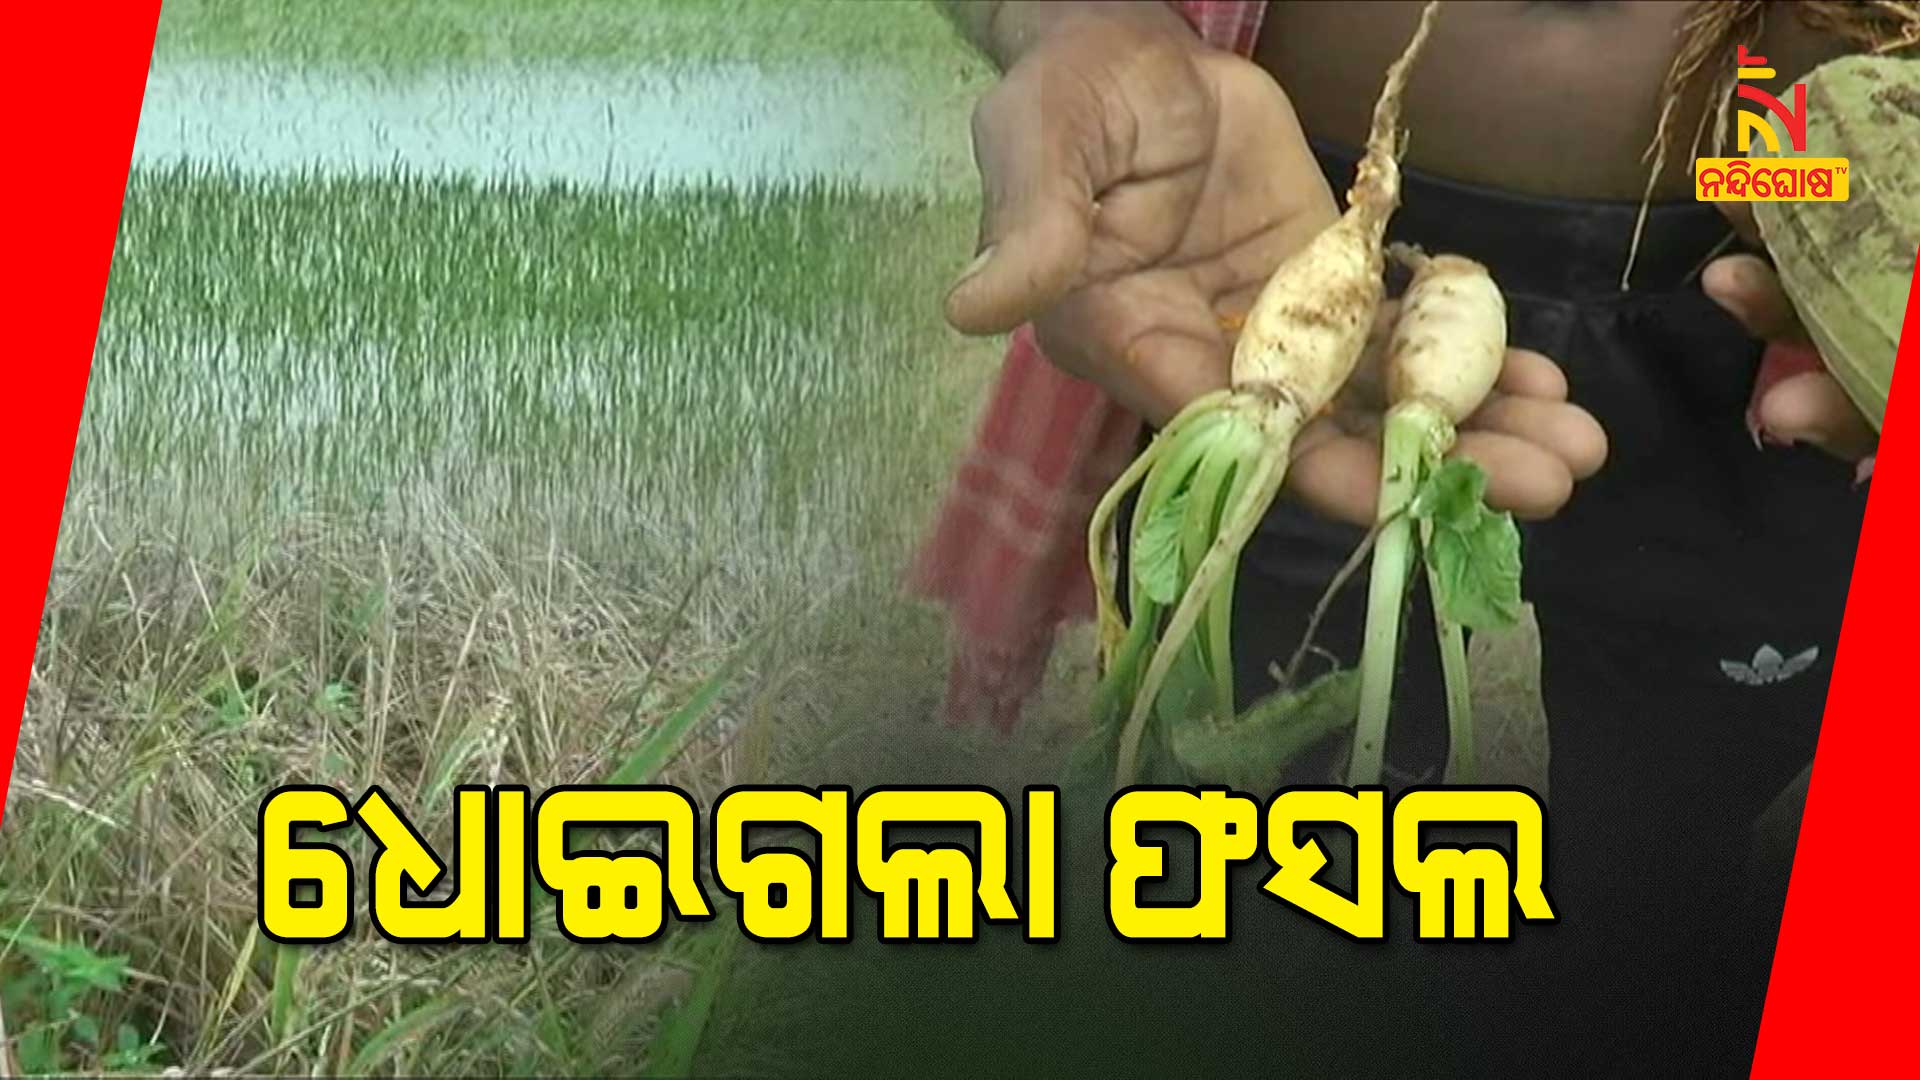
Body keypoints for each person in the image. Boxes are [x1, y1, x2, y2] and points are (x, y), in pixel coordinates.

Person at [908, 1, 1901, 1073]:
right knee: (1276, 809)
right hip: (1291, 222)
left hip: (1772, 226)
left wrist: (1869, 213)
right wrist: (1078, 23)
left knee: (1672, 843)